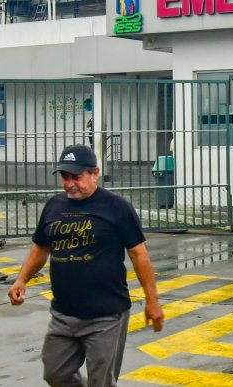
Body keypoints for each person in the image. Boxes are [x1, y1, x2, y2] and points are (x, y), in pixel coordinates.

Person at [9, 144, 163, 387]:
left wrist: (152, 300)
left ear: (95, 173)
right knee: (55, 373)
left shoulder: (117, 207)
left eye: (76, 176)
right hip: (63, 314)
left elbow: (138, 254)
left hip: (106, 316)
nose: (69, 183)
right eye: (65, 176)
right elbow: (41, 247)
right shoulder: (54, 206)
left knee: (101, 382)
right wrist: (21, 280)